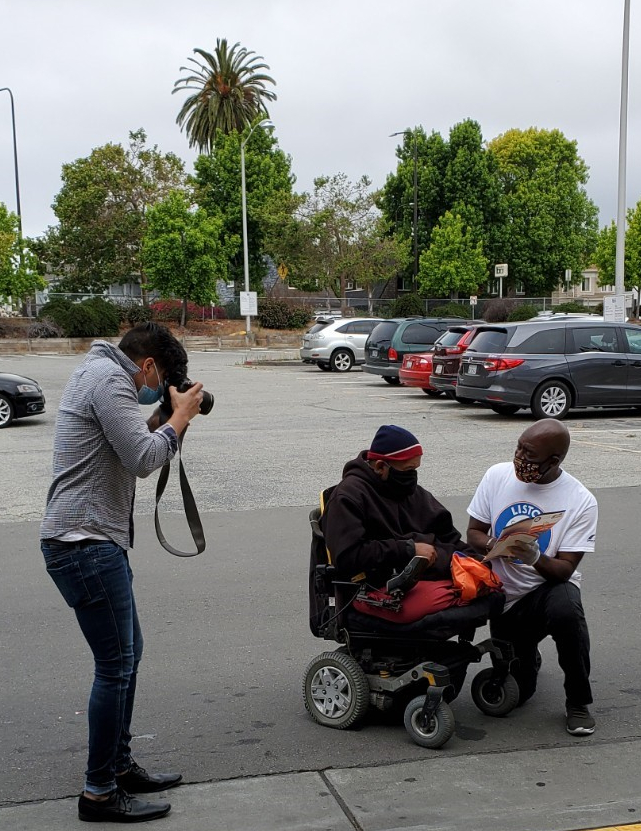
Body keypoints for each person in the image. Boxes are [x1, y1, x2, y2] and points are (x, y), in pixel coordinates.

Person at [41, 322, 204, 823]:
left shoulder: (96, 372)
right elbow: (141, 457)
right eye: (156, 382)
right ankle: (98, 793)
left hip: (89, 542)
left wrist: (163, 415)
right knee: (115, 666)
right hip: (84, 543)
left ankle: (117, 765)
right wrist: (178, 420)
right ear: (148, 366)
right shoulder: (111, 381)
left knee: (128, 656)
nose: (149, 389)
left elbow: (130, 438)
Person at [466, 420, 598, 736]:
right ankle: (528, 658)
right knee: (519, 694)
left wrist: (533, 557)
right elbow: (473, 533)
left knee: (567, 608)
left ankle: (578, 703)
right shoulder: (497, 475)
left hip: (545, 591)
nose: (519, 459)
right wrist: (494, 545)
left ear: (553, 460)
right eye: (519, 448)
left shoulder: (581, 501)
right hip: (504, 601)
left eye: (529, 455)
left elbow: (565, 569)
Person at [321, 424, 477, 594]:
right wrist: (408, 549)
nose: (412, 476)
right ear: (381, 467)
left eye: (416, 469)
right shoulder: (348, 497)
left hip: (431, 571)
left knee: (490, 589)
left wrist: (477, 560)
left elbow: (448, 535)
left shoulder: (412, 493)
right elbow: (349, 556)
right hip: (381, 585)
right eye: (408, 469)